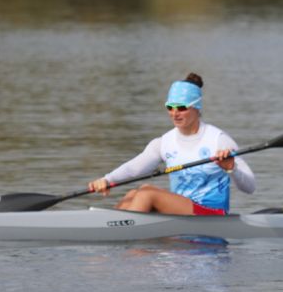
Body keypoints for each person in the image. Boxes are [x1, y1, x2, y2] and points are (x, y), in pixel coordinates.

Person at [88, 73, 256, 215]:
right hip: (180, 212)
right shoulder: (164, 142)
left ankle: (119, 240)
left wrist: (231, 168)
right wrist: (107, 179)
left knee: (146, 192)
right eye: (170, 107)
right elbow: (134, 168)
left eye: (181, 108)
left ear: (196, 107)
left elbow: (250, 187)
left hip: (211, 213)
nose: (174, 114)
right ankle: (111, 236)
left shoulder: (219, 140)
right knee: (133, 194)